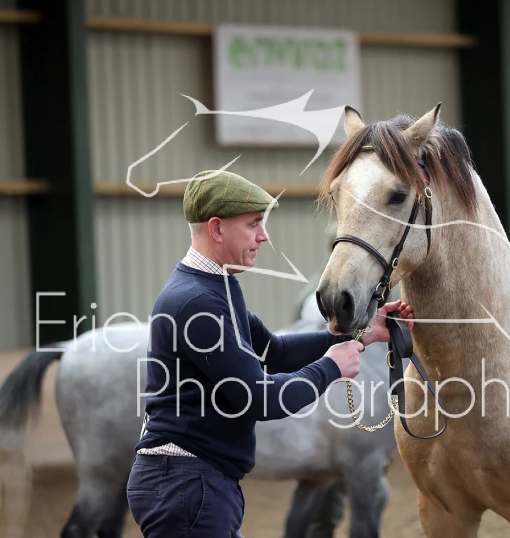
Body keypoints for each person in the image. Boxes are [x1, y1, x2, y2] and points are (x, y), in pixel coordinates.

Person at [126, 169, 414, 537]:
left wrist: (361, 332)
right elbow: (259, 398)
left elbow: (273, 351)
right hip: (188, 486)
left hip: (194, 483)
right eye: (253, 225)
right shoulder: (198, 302)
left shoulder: (214, 287)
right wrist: (330, 367)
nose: (263, 236)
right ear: (216, 229)